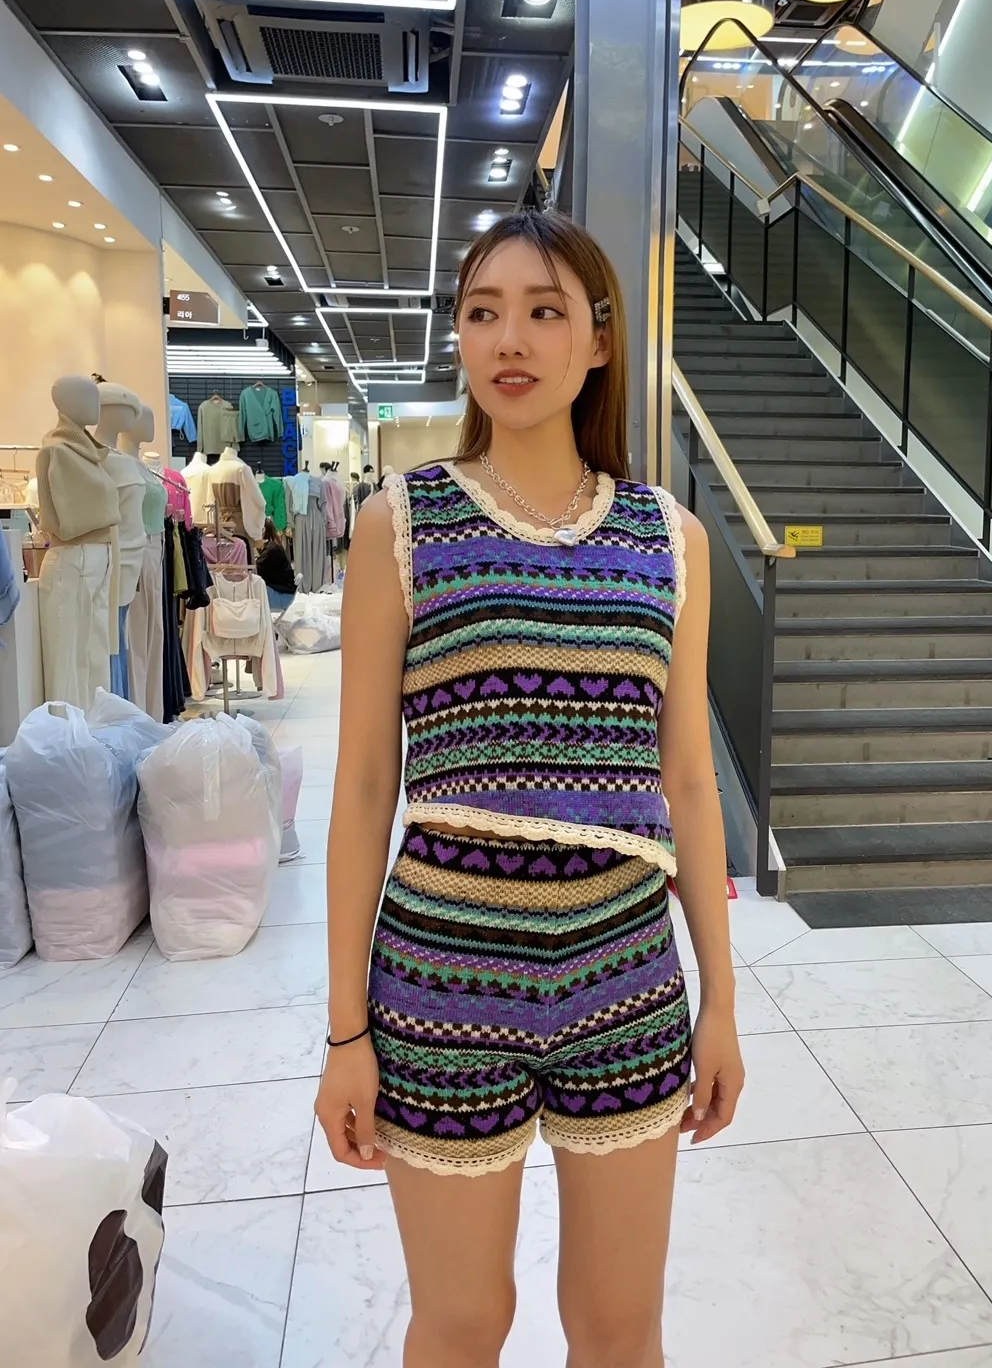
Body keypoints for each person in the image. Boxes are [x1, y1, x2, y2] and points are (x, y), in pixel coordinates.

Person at [317, 210, 743, 1368]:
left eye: (545, 311)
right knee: (463, 1323)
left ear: (598, 341)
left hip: (626, 968)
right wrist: (346, 1030)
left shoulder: (671, 540)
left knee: (620, 1327)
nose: (510, 338)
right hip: (443, 975)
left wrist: (720, 1002)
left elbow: (688, 779)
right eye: (483, 311)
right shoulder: (400, 524)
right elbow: (365, 785)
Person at [255, 517, 297, 610]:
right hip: (285, 593)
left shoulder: (271, 550)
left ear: (262, 531)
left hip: (282, 596)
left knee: (252, 585)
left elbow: (256, 569)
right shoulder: (273, 546)